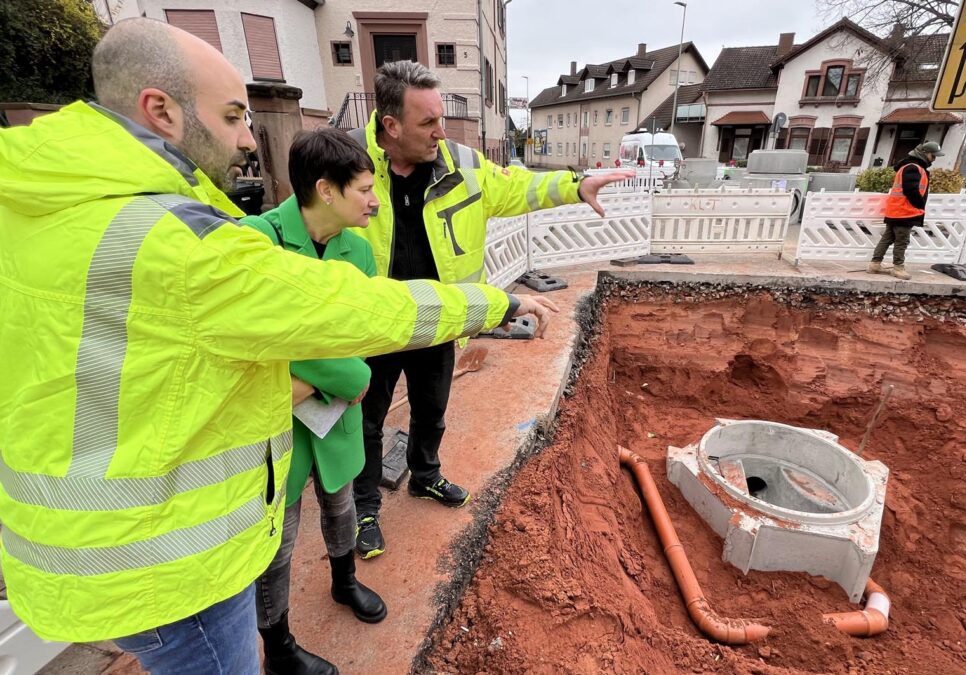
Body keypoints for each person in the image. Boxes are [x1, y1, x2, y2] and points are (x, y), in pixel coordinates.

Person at [0, 18, 557, 675]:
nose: (247, 137)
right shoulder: (175, 240)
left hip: (85, 549)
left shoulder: (39, 198)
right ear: (160, 111)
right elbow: (346, 310)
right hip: (166, 561)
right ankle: (285, 640)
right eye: (235, 115)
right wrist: (495, 301)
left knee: (339, 506)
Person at [347, 61, 634, 559]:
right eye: (428, 123)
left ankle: (425, 476)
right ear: (390, 126)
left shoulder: (460, 162)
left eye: (441, 117)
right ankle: (365, 507)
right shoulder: (350, 160)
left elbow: (518, 187)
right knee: (367, 422)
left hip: (441, 317)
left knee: (432, 410)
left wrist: (574, 185)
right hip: (374, 322)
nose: (441, 131)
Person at [239, 128, 387, 675]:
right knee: (276, 540)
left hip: (333, 416)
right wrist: (343, 377)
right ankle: (277, 646)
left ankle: (344, 580)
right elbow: (253, 340)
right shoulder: (259, 238)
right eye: (365, 189)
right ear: (326, 190)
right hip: (274, 427)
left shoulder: (359, 249)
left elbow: (364, 337)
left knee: (341, 504)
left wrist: (320, 373)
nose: (375, 200)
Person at [868, 141, 944, 281]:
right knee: (902, 241)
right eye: (933, 156)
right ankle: (898, 268)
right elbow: (911, 190)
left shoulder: (908, 166)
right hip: (905, 211)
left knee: (888, 238)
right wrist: (919, 204)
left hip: (896, 210)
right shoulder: (913, 168)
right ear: (925, 153)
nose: (934, 159)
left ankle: (875, 264)